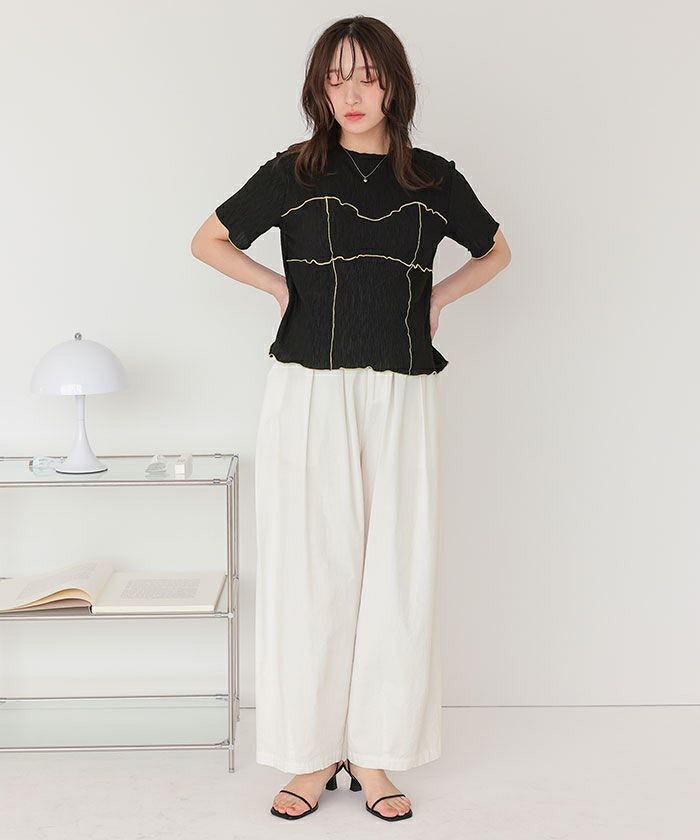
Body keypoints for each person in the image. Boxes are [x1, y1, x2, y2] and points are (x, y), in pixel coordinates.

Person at [192, 15, 511, 822]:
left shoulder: (434, 179)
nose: (352, 93)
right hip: (308, 387)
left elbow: (496, 251)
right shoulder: (294, 171)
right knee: (311, 567)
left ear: (394, 82)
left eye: (367, 75)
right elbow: (209, 240)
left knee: (396, 569)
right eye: (336, 78)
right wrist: (277, 288)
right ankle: (309, 754)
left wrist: (439, 298)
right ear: (319, 89)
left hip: (404, 388)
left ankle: (374, 754)